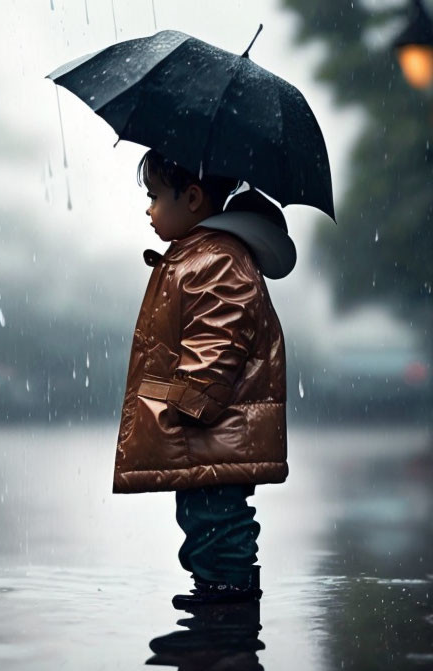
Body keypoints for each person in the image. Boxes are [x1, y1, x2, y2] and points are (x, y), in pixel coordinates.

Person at [113, 149, 294, 607]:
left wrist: (187, 404)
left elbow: (218, 344)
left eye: (155, 197)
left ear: (192, 197)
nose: (148, 208)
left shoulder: (217, 261)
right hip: (208, 437)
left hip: (212, 430)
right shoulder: (197, 255)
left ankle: (226, 608)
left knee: (217, 522)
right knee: (204, 519)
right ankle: (218, 597)